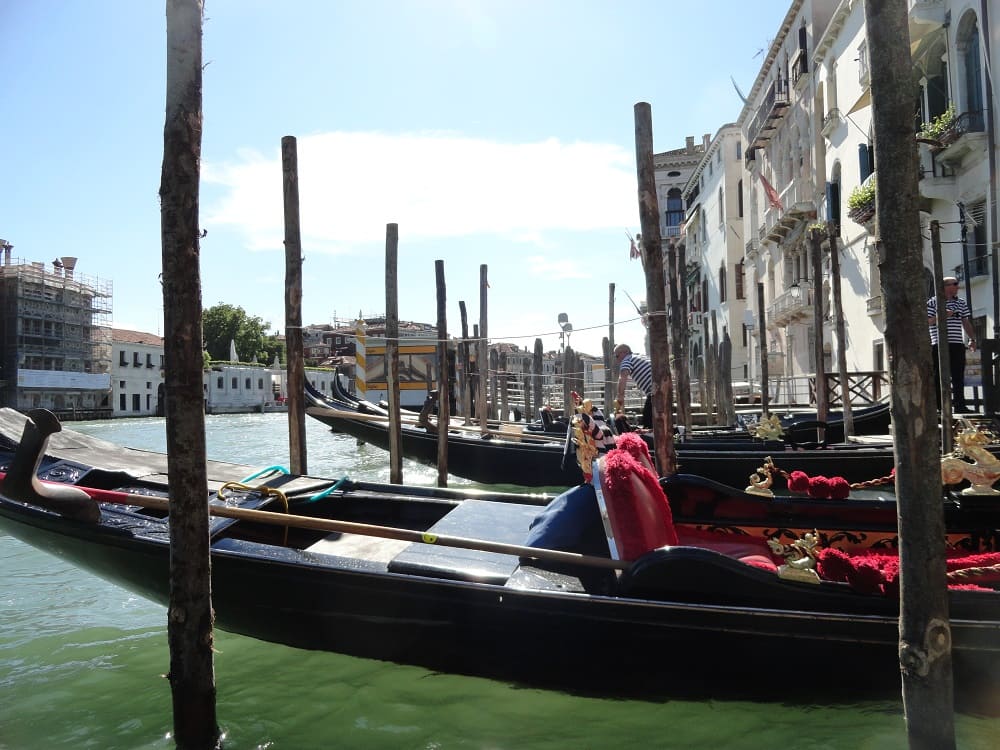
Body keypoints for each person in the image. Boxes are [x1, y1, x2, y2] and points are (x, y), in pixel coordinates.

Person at [927, 276, 977, 413]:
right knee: (938, 376)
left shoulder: (961, 303)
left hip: (957, 344)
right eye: (955, 284)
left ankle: (960, 406)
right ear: (945, 287)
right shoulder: (932, 302)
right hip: (938, 344)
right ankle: (938, 407)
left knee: (958, 376)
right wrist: (941, 316)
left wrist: (972, 339)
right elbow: (927, 322)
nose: (957, 286)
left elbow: (965, 322)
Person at [614, 344, 653, 427]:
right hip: (662, 388)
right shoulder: (640, 357)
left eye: (617, 356)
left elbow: (622, 378)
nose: (617, 360)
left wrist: (620, 397)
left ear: (625, 352)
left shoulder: (627, 360)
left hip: (655, 391)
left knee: (648, 421)